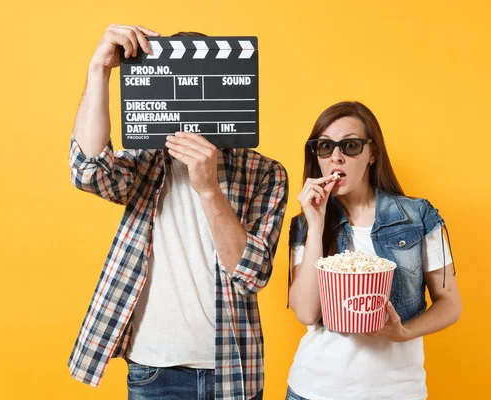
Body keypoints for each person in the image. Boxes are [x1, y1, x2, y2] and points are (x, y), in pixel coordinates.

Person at [67, 23, 288, 400]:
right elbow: (89, 172)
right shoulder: (145, 161)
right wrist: (99, 69)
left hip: (233, 372)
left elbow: (252, 274)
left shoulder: (266, 173)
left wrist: (208, 189)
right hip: (154, 368)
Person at [286, 101, 461, 400]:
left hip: (397, 391)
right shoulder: (306, 224)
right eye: (325, 147)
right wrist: (316, 226)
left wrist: (404, 332)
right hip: (314, 389)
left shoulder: (418, 216)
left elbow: (449, 304)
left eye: (350, 146)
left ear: (372, 154)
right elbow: (305, 312)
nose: (336, 158)